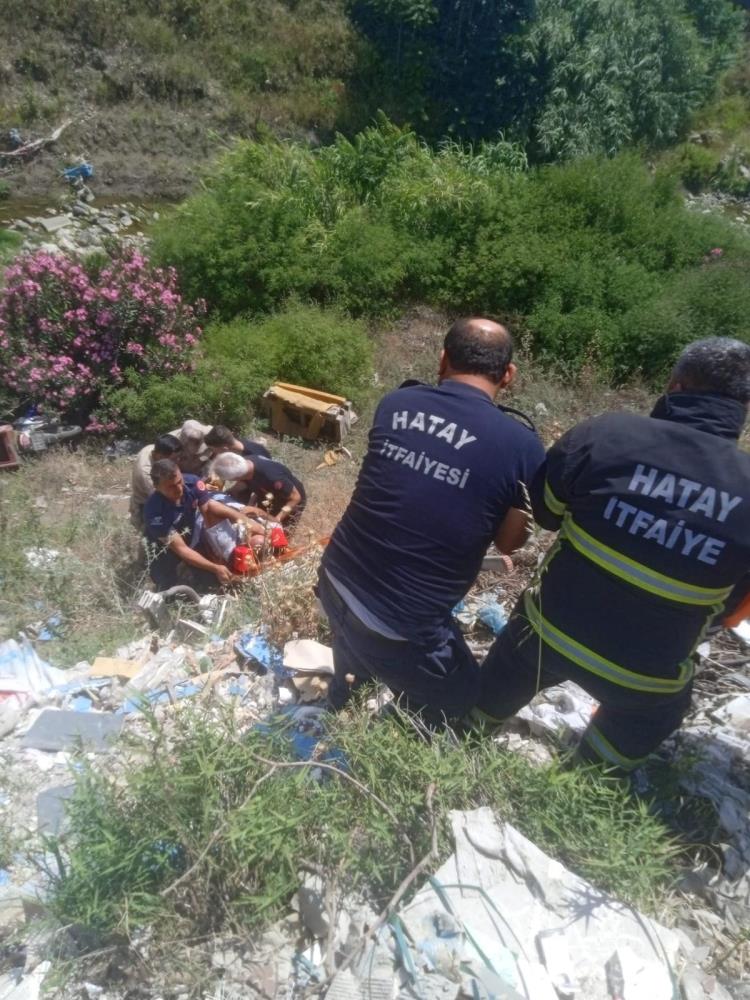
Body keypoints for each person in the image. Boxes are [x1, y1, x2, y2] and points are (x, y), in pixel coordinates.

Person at [476, 337, 750, 772]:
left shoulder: (606, 434)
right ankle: (587, 778)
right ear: (743, 406)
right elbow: (732, 610)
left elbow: (545, 513)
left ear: (674, 384)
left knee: (503, 673)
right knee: (655, 712)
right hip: (644, 675)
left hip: (549, 635)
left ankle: (472, 727)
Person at [316, 317, 546, 722]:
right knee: (462, 696)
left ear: (442, 360)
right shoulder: (521, 446)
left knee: (355, 647)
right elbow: (509, 544)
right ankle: (389, 728)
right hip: (400, 624)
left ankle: (343, 696)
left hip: (335, 579)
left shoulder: (395, 403)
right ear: (508, 375)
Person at [143, 459, 262, 590]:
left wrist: (245, 522)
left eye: (179, 481)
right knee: (168, 588)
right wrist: (215, 567)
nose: (179, 489)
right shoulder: (154, 512)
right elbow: (181, 549)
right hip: (163, 549)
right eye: (171, 486)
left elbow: (210, 511)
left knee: (211, 582)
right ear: (157, 487)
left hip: (188, 534)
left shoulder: (193, 483)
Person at [211, 452, 306, 532]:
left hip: (290, 500)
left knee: (279, 534)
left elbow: (296, 497)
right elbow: (254, 485)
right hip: (268, 495)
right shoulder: (244, 464)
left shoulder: (272, 477)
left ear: (237, 478)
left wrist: (277, 519)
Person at [129, 433, 181, 528]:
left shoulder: (155, 448)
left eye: (178, 457)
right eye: (173, 459)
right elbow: (163, 496)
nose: (177, 461)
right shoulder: (145, 473)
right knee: (151, 536)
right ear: (158, 456)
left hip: (156, 495)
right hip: (145, 504)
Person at [204, 424, 271, 460]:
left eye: (212, 449)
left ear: (225, 448)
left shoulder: (251, 459)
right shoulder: (239, 442)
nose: (213, 452)